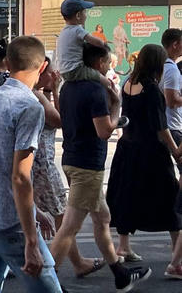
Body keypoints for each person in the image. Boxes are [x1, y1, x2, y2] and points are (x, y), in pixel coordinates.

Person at [49, 43, 151, 292]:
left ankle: (120, 274)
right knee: (70, 226)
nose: (109, 66)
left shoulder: (69, 86)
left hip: (72, 159)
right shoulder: (95, 89)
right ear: (98, 63)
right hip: (88, 165)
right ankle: (45, 281)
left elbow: (63, 117)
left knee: (102, 218)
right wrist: (116, 107)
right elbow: (104, 131)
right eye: (107, 62)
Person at [0, 36, 60, 292]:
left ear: (8, 64)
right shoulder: (29, 106)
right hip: (12, 224)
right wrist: (31, 240)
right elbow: (20, 176)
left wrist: (34, 211)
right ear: (43, 66)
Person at [107, 44, 181, 263]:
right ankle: (177, 253)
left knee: (127, 195)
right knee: (170, 196)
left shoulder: (128, 83)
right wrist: (175, 151)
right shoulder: (151, 90)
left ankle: (123, 246)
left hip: (128, 147)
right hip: (151, 151)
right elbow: (161, 127)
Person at [33, 57, 101, 278]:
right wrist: (54, 90)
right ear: (41, 72)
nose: (55, 75)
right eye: (51, 72)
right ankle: (70, 264)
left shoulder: (33, 94)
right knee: (63, 218)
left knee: (46, 216)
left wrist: (50, 90)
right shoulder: (37, 96)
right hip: (43, 164)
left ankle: (74, 261)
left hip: (38, 163)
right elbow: (61, 120)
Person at [56, 0, 114, 92]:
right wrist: (103, 44)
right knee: (106, 82)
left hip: (64, 71)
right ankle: (113, 95)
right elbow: (96, 42)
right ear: (78, 15)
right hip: (76, 69)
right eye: (85, 12)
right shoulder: (77, 29)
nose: (86, 15)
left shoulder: (63, 32)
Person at [159, 28, 182, 216]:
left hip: (166, 124)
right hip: (173, 126)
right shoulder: (171, 69)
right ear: (175, 44)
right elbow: (172, 100)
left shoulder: (161, 67)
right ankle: (177, 210)